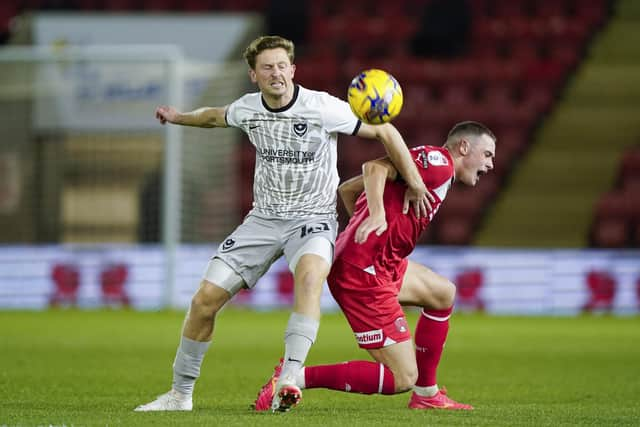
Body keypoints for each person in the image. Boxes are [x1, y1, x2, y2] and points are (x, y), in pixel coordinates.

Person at [135, 35, 432, 413]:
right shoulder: (248, 109)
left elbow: (386, 131)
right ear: (253, 75)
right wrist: (179, 117)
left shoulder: (322, 107)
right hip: (262, 220)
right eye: (267, 68)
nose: (276, 73)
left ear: (293, 70)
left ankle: (289, 379)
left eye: (281, 66)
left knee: (310, 279)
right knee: (203, 303)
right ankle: (179, 396)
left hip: (313, 220)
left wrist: (415, 181)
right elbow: (213, 116)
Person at [254, 121, 496, 411]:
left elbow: (347, 189)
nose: (491, 164)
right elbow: (373, 168)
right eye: (488, 155)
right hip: (364, 273)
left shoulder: (429, 168)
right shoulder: (440, 164)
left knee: (442, 293)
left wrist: (366, 226)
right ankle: (291, 377)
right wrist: (377, 215)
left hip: (379, 264)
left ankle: (427, 395)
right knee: (403, 377)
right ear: (464, 147)